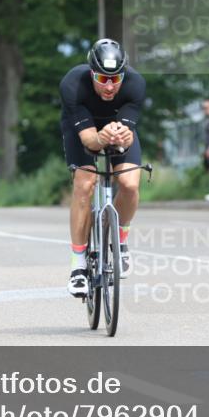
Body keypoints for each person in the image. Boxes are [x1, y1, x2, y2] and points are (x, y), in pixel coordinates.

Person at [60, 38, 146, 297]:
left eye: (115, 78)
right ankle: (78, 266)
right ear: (91, 73)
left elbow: (128, 134)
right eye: (102, 78)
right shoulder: (73, 85)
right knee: (85, 184)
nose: (109, 86)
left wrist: (124, 136)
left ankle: (119, 242)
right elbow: (89, 141)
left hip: (116, 128)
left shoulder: (135, 84)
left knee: (130, 184)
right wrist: (102, 137)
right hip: (82, 127)